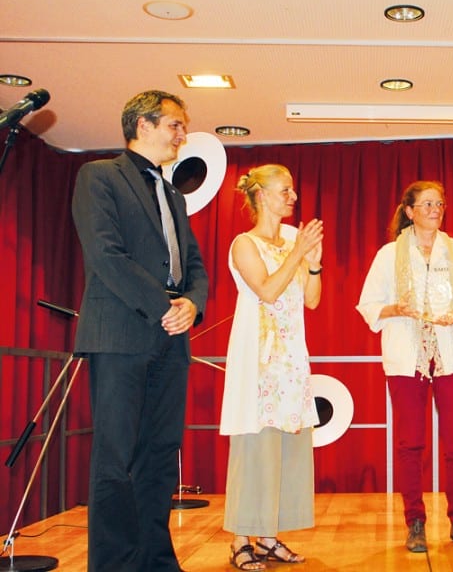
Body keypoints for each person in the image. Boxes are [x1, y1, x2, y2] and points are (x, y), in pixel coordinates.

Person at [71, 89, 209, 571]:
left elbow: (193, 264)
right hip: (121, 334)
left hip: (171, 338)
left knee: (158, 456)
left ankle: (154, 560)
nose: (182, 134)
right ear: (143, 125)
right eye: (175, 124)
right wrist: (164, 306)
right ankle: (113, 565)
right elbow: (106, 256)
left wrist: (192, 303)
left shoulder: (174, 194)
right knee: (117, 459)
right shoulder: (99, 176)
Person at [356, 180, 453, 553]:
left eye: (440, 204)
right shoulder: (388, 255)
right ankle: (414, 521)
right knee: (410, 443)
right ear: (410, 210)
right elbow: (368, 303)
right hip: (407, 356)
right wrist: (395, 309)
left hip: (451, 356)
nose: (435, 209)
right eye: (427, 203)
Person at [219, 164, 324, 570]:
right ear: (261, 195)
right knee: (253, 446)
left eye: (293, 190)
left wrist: (312, 263)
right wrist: (297, 254)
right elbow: (266, 289)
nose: (292, 197)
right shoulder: (243, 243)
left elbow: (311, 299)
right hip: (256, 357)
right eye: (285, 190)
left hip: (290, 359)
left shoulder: (295, 239)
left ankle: (268, 536)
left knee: (285, 446)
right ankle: (241, 540)